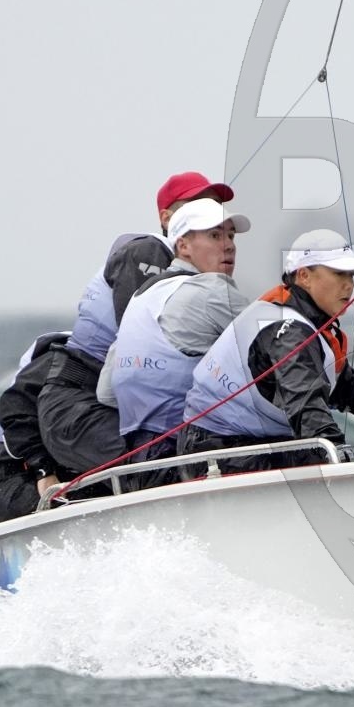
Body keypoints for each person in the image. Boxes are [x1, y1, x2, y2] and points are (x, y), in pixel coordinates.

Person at [179, 228, 354, 473]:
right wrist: (335, 447)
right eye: (338, 273)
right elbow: (305, 402)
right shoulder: (288, 332)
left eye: (351, 274)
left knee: (315, 457)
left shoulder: (306, 323)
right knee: (319, 457)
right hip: (216, 450)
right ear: (304, 276)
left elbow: (349, 390)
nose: (349, 284)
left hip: (236, 446)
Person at [38, 171, 235, 479]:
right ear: (168, 219)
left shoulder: (181, 281)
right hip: (79, 403)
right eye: (198, 206)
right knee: (163, 461)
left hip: (97, 398)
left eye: (214, 206)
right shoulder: (150, 254)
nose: (211, 213)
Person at [95, 197, 251, 490]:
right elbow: (277, 352)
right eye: (214, 235)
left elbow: (106, 393)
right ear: (183, 246)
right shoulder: (213, 289)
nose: (229, 245)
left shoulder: (141, 298)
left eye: (231, 236)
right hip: (190, 457)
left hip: (136, 465)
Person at [0, 332, 70, 522]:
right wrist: (44, 471)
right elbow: (13, 410)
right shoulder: (67, 361)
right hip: (11, 478)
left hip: (8, 475)